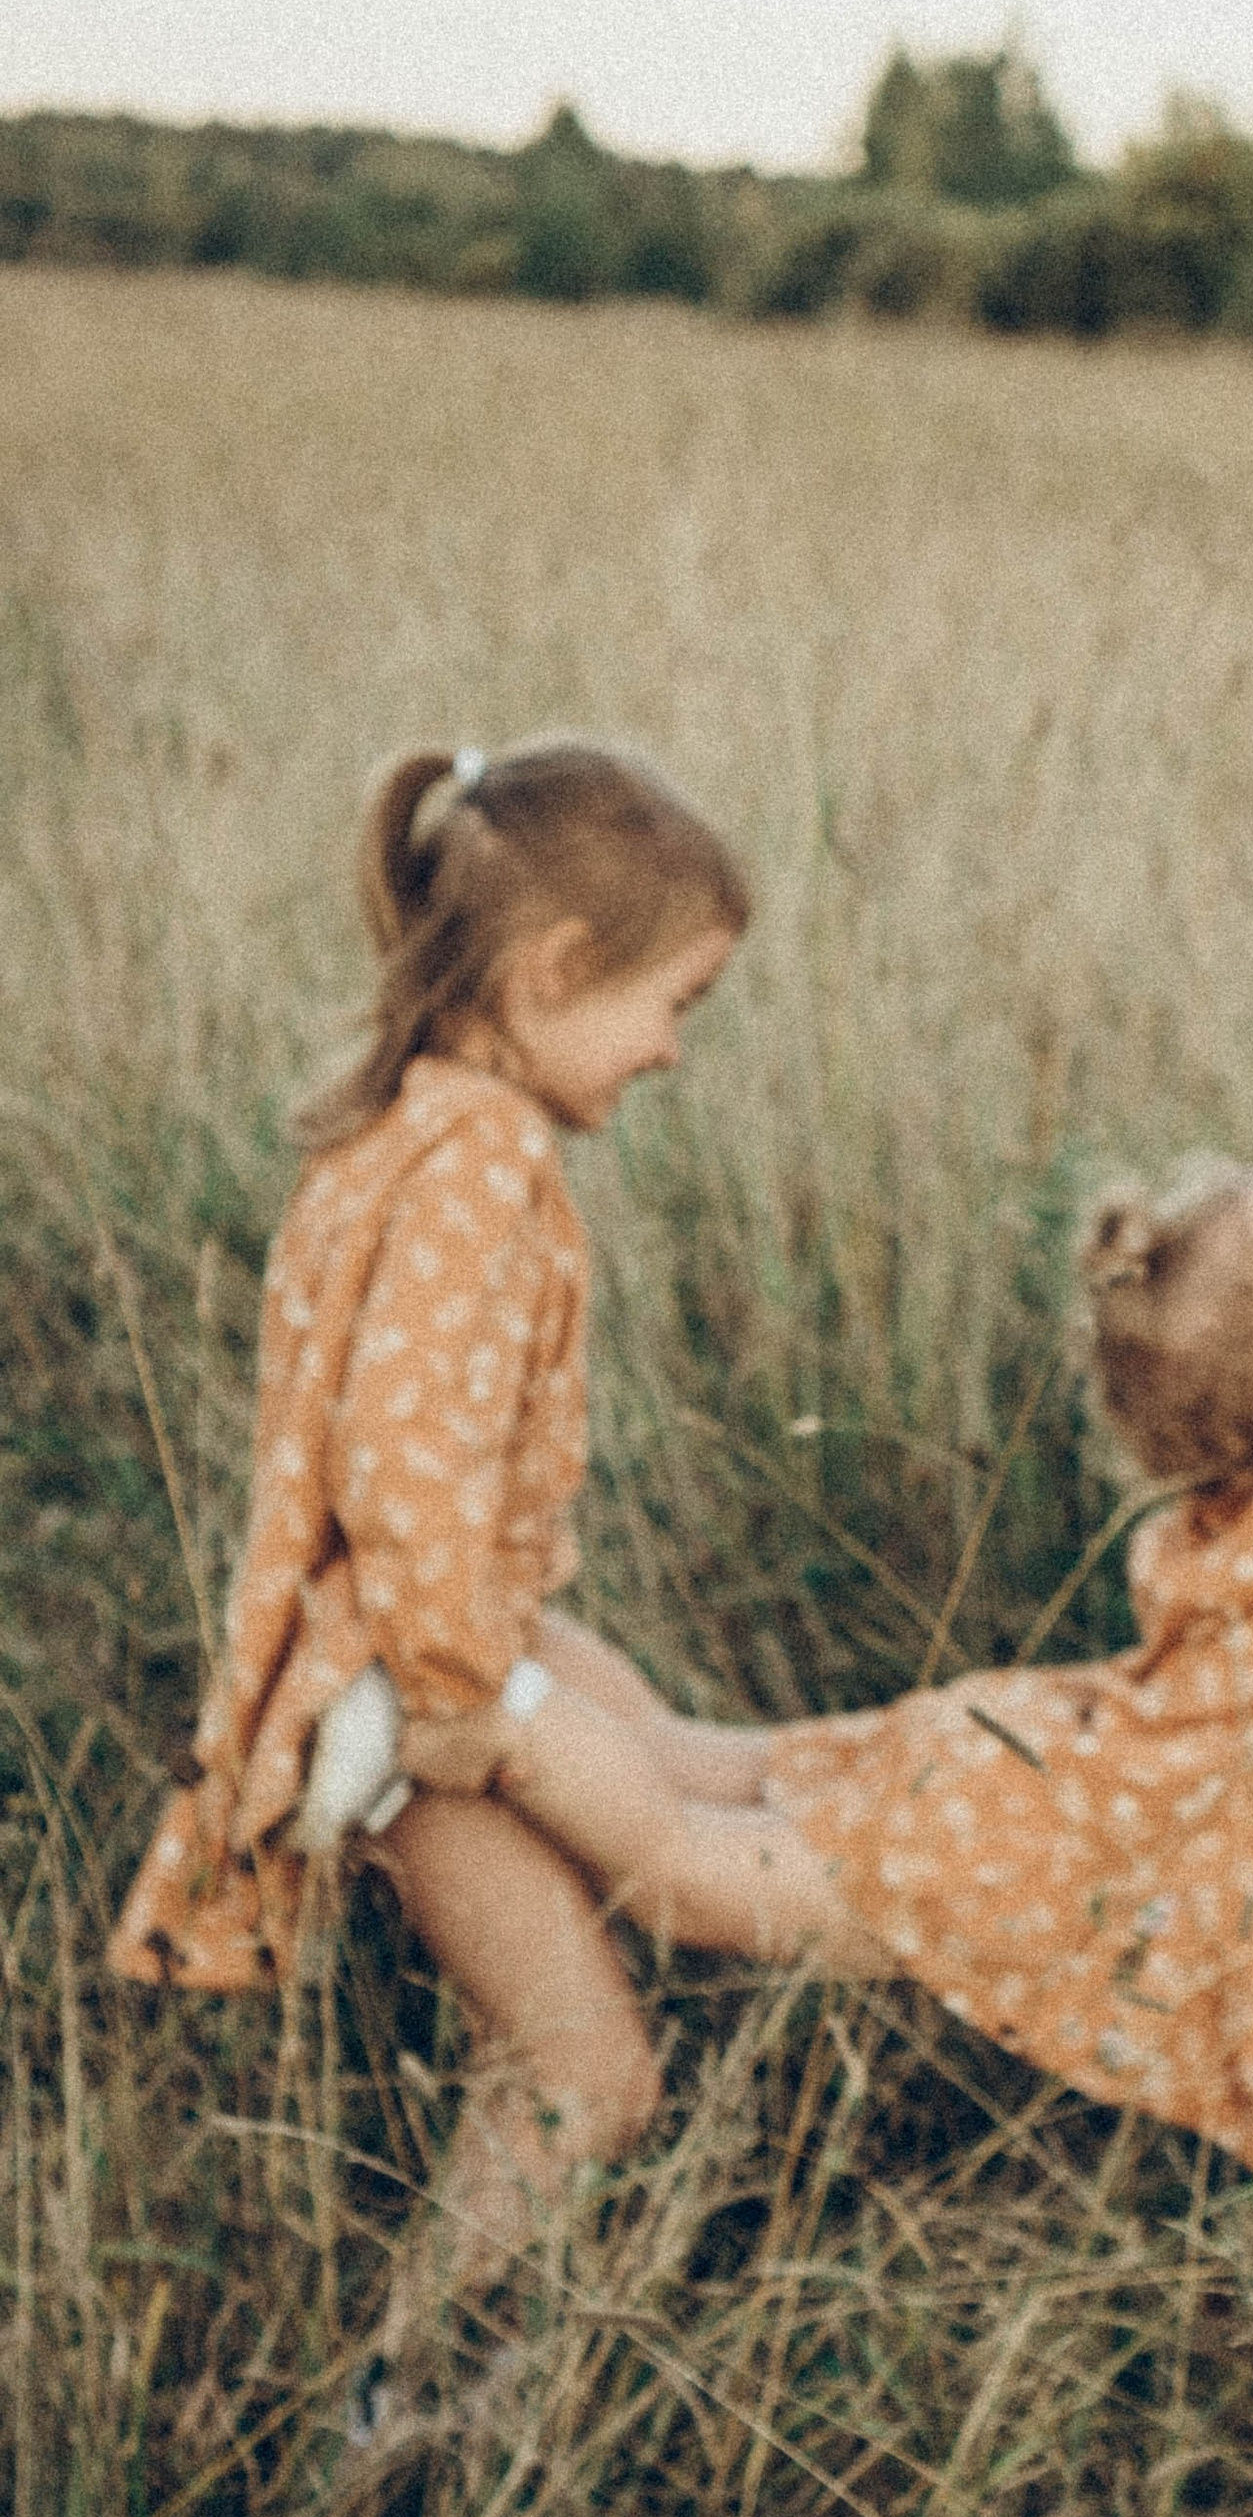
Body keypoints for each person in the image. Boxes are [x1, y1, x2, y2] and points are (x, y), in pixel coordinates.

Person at [400, 975, 1253, 2215]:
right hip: (1090, 1832)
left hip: (1064, 1766)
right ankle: (490, 1717)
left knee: (693, 1757)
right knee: (685, 1868)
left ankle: (512, 1644)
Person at [109, 735, 759, 2334]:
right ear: (549, 974)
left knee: (601, 1983)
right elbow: (405, 1470)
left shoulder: (416, 1128)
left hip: (422, 1655)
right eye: (672, 1005)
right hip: (406, 1695)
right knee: (586, 2080)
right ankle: (409, 2415)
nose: (674, 1052)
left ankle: (441, 2392)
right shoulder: (480, 1165)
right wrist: (471, 1692)